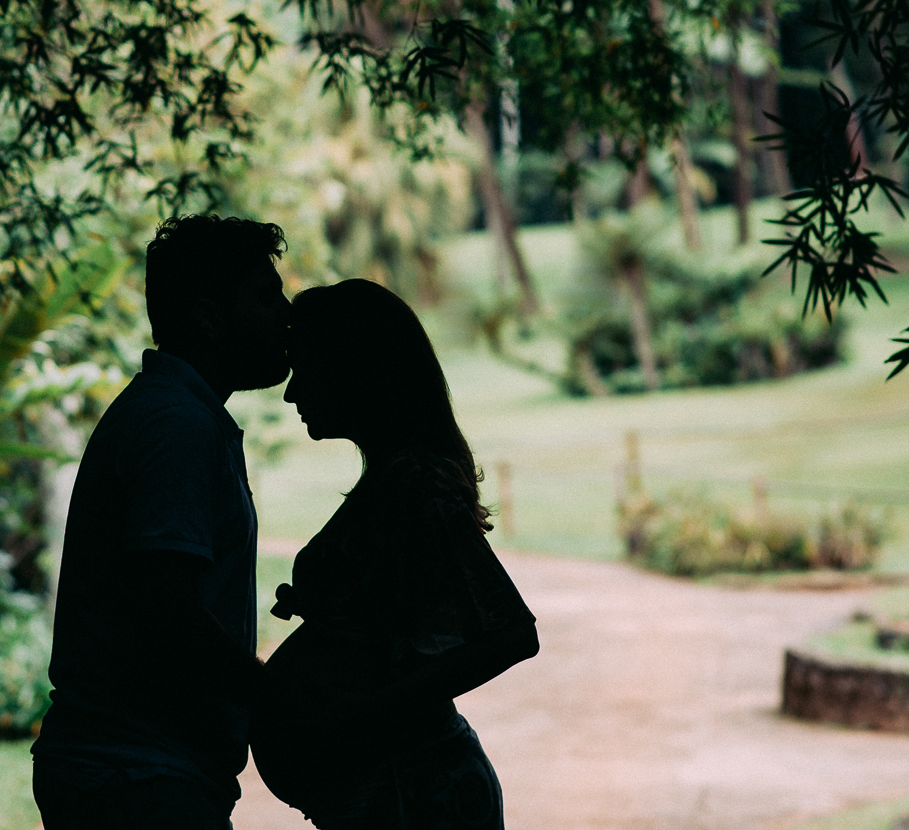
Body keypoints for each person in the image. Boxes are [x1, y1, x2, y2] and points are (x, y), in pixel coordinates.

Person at [32, 215, 292, 829]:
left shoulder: (172, 413)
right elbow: (166, 606)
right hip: (138, 781)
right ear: (207, 316)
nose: (285, 313)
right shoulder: (178, 425)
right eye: (264, 296)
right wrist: (278, 698)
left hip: (138, 773)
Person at [253, 279, 538, 830]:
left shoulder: (416, 485)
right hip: (392, 790)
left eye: (304, 368)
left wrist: (367, 713)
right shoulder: (393, 482)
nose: (291, 394)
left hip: (421, 794)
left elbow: (511, 634)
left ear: (354, 369)